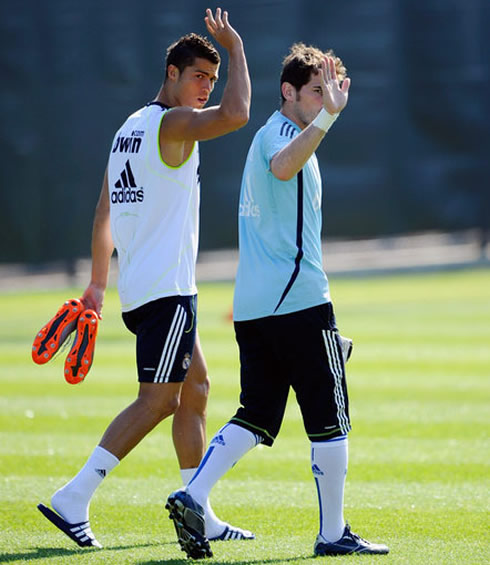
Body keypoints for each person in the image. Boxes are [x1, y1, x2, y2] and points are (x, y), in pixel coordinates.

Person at [37, 7, 253, 548]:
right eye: (199, 76)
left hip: (146, 289)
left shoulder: (128, 128)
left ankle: (197, 506)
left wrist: (96, 283)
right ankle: (74, 497)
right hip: (167, 292)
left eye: (213, 78)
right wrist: (236, 49)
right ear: (173, 74)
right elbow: (238, 114)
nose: (207, 87)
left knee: (197, 387)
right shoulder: (172, 123)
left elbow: (104, 210)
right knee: (159, 401)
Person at [166, 43, 389, 559]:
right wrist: (328, 118)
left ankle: (192, 494)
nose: (326, 97)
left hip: (258, 308)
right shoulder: (281, 134)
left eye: (332, 90)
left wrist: (324, 117)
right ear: (288, 92)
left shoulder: (288, 135)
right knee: (330, 419)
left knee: (258, 414)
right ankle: (333, 534)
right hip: (300, 304)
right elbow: (285, 166)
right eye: (317, 89)